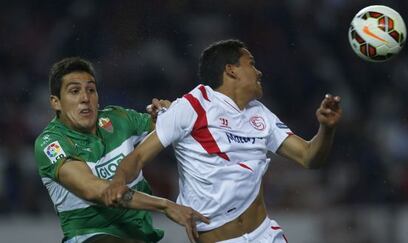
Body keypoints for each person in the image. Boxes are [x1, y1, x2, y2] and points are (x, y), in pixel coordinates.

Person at [103, 39, 342, 243]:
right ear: (231, 70)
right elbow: (138, 156)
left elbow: (309, 157)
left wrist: (326, 128)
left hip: (264, 234)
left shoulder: (260, 114)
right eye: (251, 64)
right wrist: (119, 181)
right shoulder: (192, 106)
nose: (259, 72)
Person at [34, 57, 208, 243]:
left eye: (91, 90)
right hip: (90, 236)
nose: (85, 98)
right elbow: (98, 192)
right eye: (74, 91)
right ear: (56, 102)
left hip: (139, 236)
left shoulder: (117, 118)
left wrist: (167, 111)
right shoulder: (51, 143)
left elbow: (170, 125)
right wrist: (165, 205)